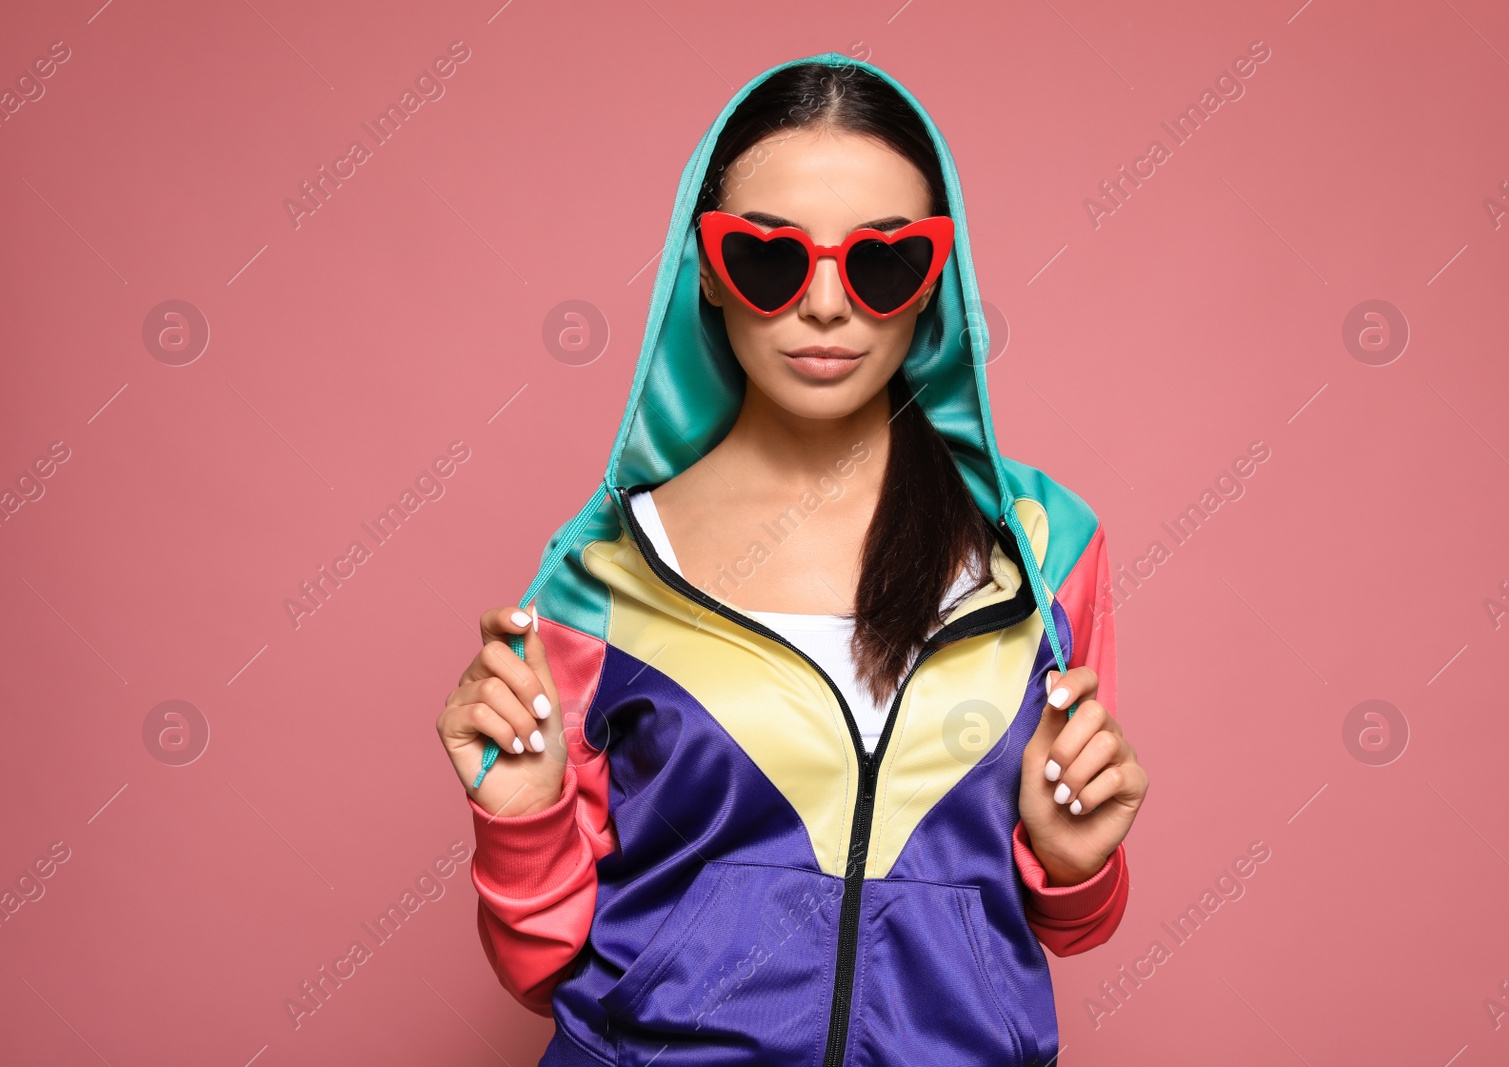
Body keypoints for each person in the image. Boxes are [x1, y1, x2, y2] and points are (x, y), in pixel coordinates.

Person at [437, 51, 1149, 1067]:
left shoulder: (1044, 550)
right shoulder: (601, 575)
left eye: (881, 260)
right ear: (709, 274)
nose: (825, 304)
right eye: (770, 257)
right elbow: (540, 966)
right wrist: (519, 818)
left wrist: (1078, 863)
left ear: (934, 284)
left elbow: (1066, 923)